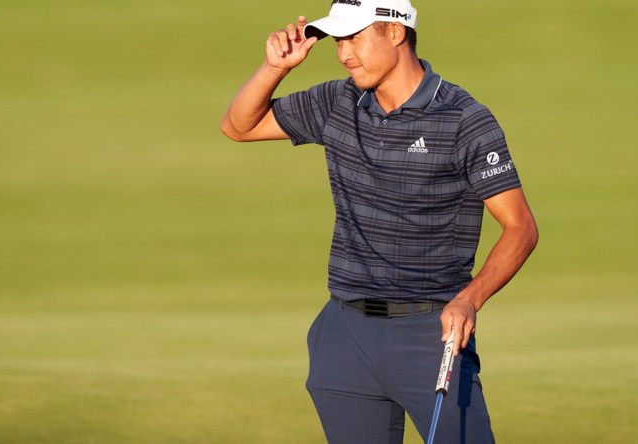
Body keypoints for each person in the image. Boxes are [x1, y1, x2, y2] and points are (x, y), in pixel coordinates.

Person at [221, 0, 538, 442]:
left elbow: (521, 227)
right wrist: (275, 68)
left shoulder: (465, 119)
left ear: (395, 32)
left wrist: (471, 299)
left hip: (429, 335)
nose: (344, 53)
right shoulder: (338, 101)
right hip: (344, 334)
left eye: (354, 37)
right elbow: (239, 126)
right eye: (338, 40)